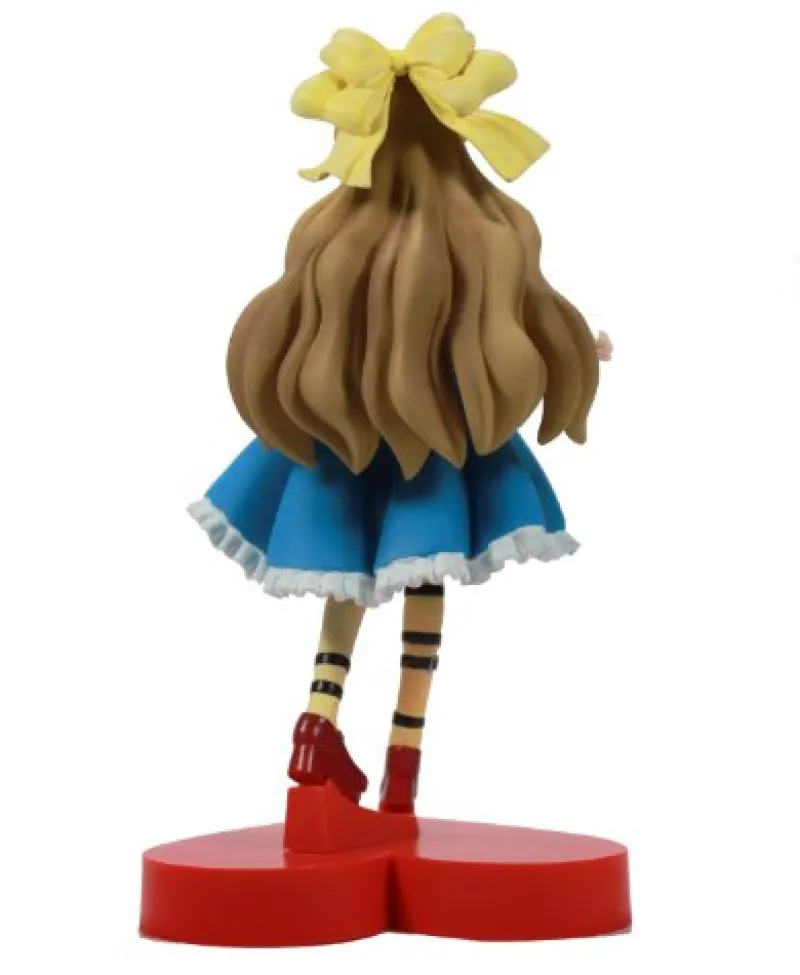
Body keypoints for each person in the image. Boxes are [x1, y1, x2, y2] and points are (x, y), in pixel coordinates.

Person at [188, 14, 612, 814]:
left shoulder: (332, 245)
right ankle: (404, 758)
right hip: (440, 451)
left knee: (345, 576)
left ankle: (317, 721)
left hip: (340, 441)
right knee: (422, 581)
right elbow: (520, 322)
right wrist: (574, 349)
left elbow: (287, 328)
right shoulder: (481, 238)